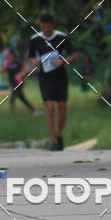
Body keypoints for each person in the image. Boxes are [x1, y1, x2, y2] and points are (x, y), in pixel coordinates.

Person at [28, 13, 77, 150]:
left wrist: (62, 61)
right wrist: (35, 63)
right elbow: (30, 57)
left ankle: (59, 135)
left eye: (48, 27)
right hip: (44, 77)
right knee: (49, 108)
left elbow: (74, 56)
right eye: (43, 27)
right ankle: (53, 140)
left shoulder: (61, 37)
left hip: (60, 76)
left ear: (53, 24)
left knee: (62, 109)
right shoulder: (35, 39)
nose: (45, 30)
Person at [3, 46, 35, 113]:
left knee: (13, 96)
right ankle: (32, 109)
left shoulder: (17, 61)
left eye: (7, 54)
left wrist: (19, 74)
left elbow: (26, 69)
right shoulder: (7, 62)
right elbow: (4, 70)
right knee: (21, 97)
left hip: (19, 82)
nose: (6, 55)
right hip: (13, 82)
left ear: (11, 54)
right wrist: (0, 70)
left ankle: (12, 112)